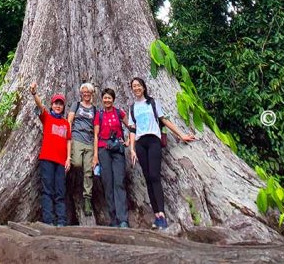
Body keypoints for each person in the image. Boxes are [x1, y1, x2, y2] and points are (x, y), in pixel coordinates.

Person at [126, 77, 196, 229]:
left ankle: (162, 214)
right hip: (140, 143)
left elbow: (164, 120)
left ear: (143, 87)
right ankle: (157, 216)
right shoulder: (132, 108)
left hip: (153, 141)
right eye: (134, 86)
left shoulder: (152, 103)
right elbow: (132, 129)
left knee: (154, 176)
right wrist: (132, 148)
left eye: (138, 85)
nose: (136, 88)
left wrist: (181, 135)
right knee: (147, 178)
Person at [29, 82, 70, 227]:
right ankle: (49, 221)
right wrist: (34, 93)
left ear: (63, 107)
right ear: (52, 105)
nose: (58, 106)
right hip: (47, 158)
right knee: (47, 190)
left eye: (61, 104)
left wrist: (68, 159)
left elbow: (68, 141)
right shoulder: (47, 117)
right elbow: (41, 107)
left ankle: (61, 221)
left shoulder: (66, 124)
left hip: (61, 161)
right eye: (56, 104)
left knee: (60, 191)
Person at [92, 87, 132, 228]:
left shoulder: (118, 112)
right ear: (102, 99)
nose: (107, 100)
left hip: (118, 151)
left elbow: (131, 126)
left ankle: (123, 219)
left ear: (113, 99)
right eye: (105, 98)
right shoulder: (99, 114)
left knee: (119, 183)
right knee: (108, 183)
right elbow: (96, 135)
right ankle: (113, 219)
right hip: (103, 150)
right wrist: (95, 155)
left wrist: (128, 141)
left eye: (109, 98)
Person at [67, 82, 98, 217]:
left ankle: (87, 200)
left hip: (89, 141)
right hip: (77, 138)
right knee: (77, 163)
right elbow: (69, 121)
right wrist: (68, 139)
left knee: (88, 171)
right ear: (81, 93)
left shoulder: (94, 109)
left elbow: (96, 128)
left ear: (92, 94)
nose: (86, 94)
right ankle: (70, 186)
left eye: (88, 92)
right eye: (84, 92)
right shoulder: (76, 105)